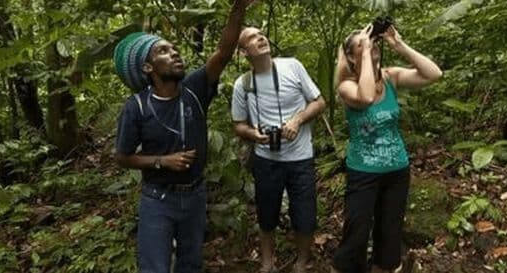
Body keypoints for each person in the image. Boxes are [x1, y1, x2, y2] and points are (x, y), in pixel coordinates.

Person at [112, 1, 255, 272]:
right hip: (158, 200)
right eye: (163, 51)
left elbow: (223, 52)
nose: (174, 53)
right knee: (155, 267)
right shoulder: (137, 106)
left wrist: (238, 9)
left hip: (194, 197)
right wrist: (162, 162)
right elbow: (122, 156)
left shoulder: (193, 90)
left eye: (174, 48)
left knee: (190, 265)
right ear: (147, 68)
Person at [331, 24, 443, 273]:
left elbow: (434, 74)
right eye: (362, 44)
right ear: (350, 56)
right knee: (357, 231)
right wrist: (365, 55)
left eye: (373, 43)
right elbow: (366, 97)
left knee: (389, 233)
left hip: (397, 170)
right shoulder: (346, 86)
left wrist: (399, 45)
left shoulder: (391, 77)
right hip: (363, 172)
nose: (371, 46)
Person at [231, 26, 326, 273]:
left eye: (261, 33)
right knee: (266, 213)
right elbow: (238, 124)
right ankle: (267, 262)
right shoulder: (243, 84)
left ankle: (302, 262)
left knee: (304, 214)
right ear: (243, 52)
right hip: (266, 159)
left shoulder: (292, 66)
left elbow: (319, 102)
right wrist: (254, 135)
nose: (260, 37)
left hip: (300, 156)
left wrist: (296, 120)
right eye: (252, 37)